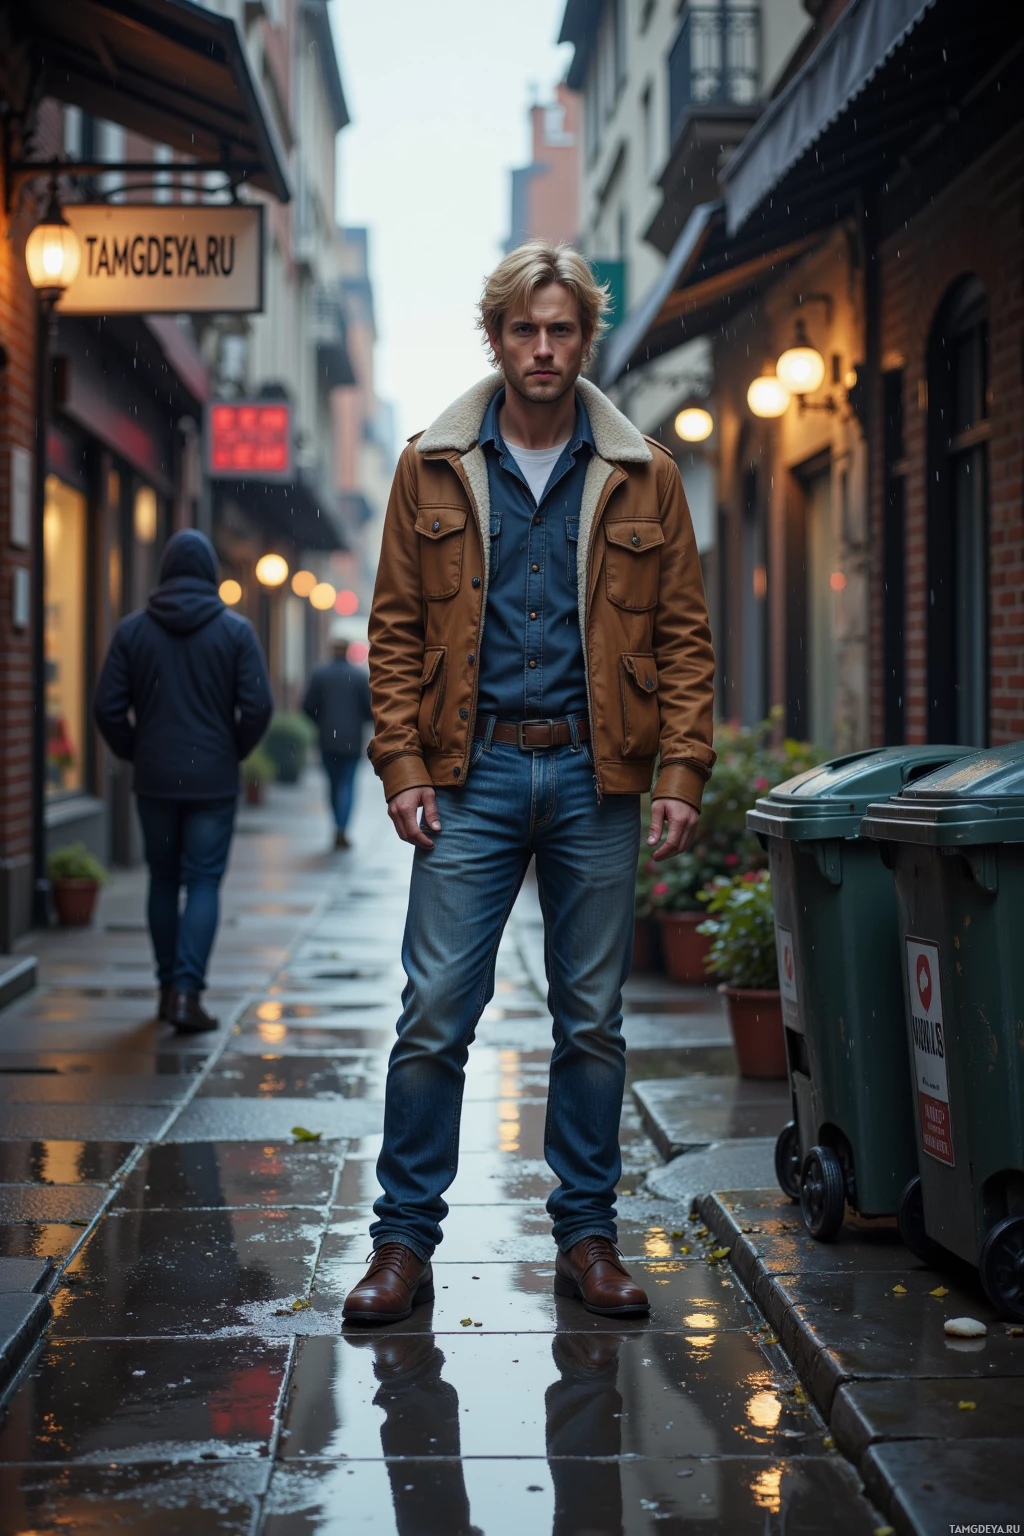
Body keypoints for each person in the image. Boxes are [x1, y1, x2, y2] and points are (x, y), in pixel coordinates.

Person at [343, 241, 715, 1326]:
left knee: (591, 1021)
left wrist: (681, 770)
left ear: (582, 339)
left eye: (560, 331)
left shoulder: (645, 469)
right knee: (434, 1017)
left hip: (599, 779)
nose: (542, 349)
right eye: (523, 330)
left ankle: (587, 1239)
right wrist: (402, 764)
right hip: (475, 774)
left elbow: (685, 638)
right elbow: (398, 631)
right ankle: (401, 1247)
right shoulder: (432, 464)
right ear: (496, 337)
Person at [94, 529, 272, 1033]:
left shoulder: (133, 632)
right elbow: (258, 706)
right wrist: (231, 749)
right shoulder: (235, 632)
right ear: (211, 573)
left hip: (154, 779)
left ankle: (167, 986)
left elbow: (106, 708)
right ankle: (189, 993)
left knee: (163, 880)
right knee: (202, 882)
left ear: (165, 570)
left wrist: (137, 750)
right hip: (213, 782)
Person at [302, 629, 374, 848]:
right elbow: (370, 710)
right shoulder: (359, 677)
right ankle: (342, 828)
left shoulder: (320, 675)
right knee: (348, 785)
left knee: (333, 785)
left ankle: (337, 825)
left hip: (328, 741)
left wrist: (322, 723)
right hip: (351, 741)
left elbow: (307, 707)